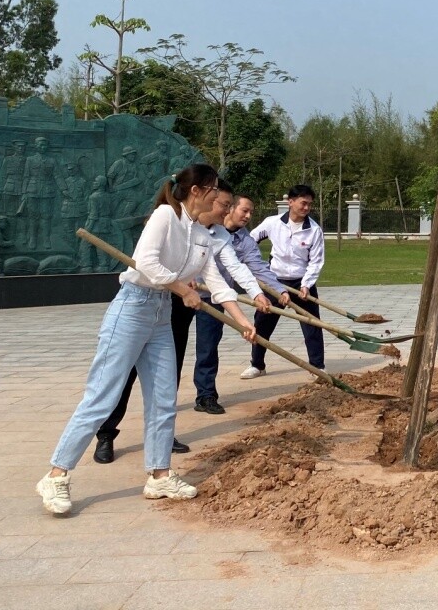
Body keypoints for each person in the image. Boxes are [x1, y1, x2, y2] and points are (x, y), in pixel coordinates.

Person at [36, 164, 256, 516]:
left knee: (164, 398)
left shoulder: (200, 232)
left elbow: (215, 281)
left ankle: (159, 475)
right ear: (197, 190)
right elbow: (146, 264)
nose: (220, 198)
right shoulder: (164, 217)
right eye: (215, 190)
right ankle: (56, 475)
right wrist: (181, 288)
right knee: (102, 397)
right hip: (131, 309)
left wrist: (243, 322)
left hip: (160, 316)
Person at [91, 181, 264, 463]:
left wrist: (254, 297)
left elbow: (232, 268)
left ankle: (162, 434)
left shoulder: (218, 234)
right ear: (205, 199)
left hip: (179, 309)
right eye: (223, 204)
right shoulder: (169, 220)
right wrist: (182, 282)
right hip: (149, 302)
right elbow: (152, 262)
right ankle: (106, 434)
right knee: (126, 373)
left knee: (166, 373)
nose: (227, 211)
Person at [193, 190, 282, 414]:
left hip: (214, 298)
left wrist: (274, 291)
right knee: (170, 349)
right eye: (244, 210)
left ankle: (206, 396)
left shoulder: (240, 239)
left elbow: (247, 268)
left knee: (208, 348)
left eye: (251, 212)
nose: (248, 216)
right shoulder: (194, 227)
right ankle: (164, 402)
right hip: (181, 294)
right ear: (230, 209)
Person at [240, 184, 326, 379]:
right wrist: (253, 265)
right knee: (262, 323)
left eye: (309, 205)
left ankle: (317, 366)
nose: (306, 208)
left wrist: (306, 284)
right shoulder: (272, 223)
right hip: (274, 280)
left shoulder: (314, 230)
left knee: (312, 324)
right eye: (303, 203)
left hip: (301, 282)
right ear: (291, 202)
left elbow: (316, 261)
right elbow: (250, 240)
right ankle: (257, 364)